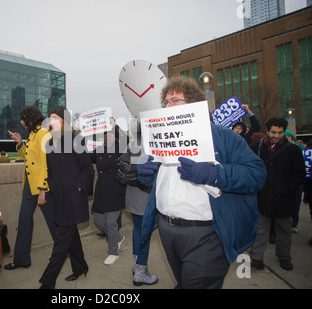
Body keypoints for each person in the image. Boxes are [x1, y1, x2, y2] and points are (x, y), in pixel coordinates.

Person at [137, 76, 267, 289]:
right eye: (166, 102)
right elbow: (160, 181)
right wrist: (144, 173)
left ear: (194, 103)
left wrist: (213, 174)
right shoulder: (162, 137)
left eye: (175, 100)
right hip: (167, 231)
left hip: (207, 235)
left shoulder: (223, 136)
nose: (168, 105)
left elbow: (256, 174)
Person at [39, 106, 94, 289]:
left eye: (55, 117)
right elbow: (51, 170)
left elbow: (87, 168)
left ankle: (48, 281)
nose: (51, 121)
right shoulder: (50, 143)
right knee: (70, 235)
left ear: (64, 121)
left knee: (61, 241)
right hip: (58, 197)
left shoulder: (75, 139)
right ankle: (80, 267)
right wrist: (51, 186)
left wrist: (80, 187)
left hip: (73, 198)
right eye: (50, 118)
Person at [249, 117, 306, 271]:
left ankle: (284, 257)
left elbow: (299, 174)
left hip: (283, 198)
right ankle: (256, 258)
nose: (276, 135)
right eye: (273, 132)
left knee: (284, 231)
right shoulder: (257, 146)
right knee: (260, 230)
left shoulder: (293, 150)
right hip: (262, 196)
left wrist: (287, 190)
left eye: (280, 132)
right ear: (267, 131)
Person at [4, 106, 56, 270]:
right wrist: (20, 143)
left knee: (54, 223)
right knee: (24, 220)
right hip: (28, 184)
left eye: (23, 118)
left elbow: (45, 164)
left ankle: (65, 250)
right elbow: (29, 157)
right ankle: (21, 260)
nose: (20, 121)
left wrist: (42, 189)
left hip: (42, 186)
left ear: (31, 118)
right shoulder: (32, 134)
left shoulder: (43, 134)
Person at [124, 121, 158, 286]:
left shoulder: (132, 144)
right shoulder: (150, 145)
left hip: (132, 195)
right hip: (145, 197)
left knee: (138, 231)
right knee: (145, 234)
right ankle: (140, 271)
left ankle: (137, 264)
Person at [90, 130, 126, 265]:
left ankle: (113, 252)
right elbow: (83, 156)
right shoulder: (98, 150)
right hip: (101, 190)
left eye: (110, 135)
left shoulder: (119, 149)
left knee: (111, 223)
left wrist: (114, 125)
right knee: (99, 221)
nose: (107, 138)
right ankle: (118, 237)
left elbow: (127, 142)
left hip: (116, 190)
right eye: (105, 136)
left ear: (116, 138)